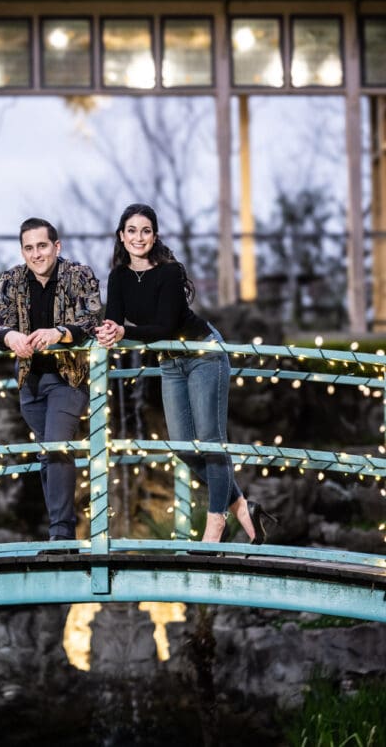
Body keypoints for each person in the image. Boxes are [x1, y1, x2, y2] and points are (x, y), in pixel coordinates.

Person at [96, 203, 276, 544]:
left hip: (203, 353)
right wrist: (107, 333)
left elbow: (163, 326)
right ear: (121, 236)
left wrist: (123, 334)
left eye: (145, 230)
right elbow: (115, 321)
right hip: (169, 361)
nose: (138, 237)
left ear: (155, 235)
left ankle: (216, 523)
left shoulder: (170, 271)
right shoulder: (118, 276)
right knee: (182, 445)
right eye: (131, 231)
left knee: (210, 442)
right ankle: (242, 506)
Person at [0, 217, 102, 544]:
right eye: (29, 248)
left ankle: (62, 536)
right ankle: (61, 526)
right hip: (30, 381)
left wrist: (60, 333)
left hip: (68, 379)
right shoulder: (11, 280)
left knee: (55, 447)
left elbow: (92, 319)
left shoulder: (79, 275)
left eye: (42, 246)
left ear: (56, 246)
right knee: (48, 454)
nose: (36, 254)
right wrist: (11, 338)